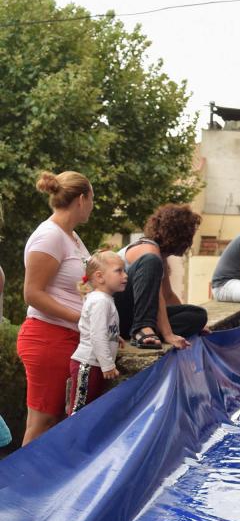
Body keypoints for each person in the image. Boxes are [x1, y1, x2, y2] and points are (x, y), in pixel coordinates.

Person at [17, 170, 93, 445]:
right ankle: (20, 487)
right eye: (92, 200)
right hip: (47, 336)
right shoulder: (49, 236)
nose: (92, 207)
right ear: (82, 199)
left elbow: (79, 289)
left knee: (57, 421)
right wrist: (81, 319)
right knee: (42, 422)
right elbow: (32, 294)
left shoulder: (72, 237)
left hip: (70, 337)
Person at [115, 204, 207, 351]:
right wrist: (168, 333)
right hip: (117, 312)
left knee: (198, 315)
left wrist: (197, 324)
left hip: (131, 318)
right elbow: (156, 296)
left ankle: (146, 331)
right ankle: (142, 329)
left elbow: (168, 296)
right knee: (151, 260)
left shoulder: (160, 258)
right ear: (181, 234)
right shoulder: (148, 250)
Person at [68, 251, 127, 415]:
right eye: (119, 271)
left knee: (88, 410)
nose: (125, 275)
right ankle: (73, 440)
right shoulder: (100, 301)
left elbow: (100, 328)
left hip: (94, 365)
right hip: (88, 365)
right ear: (100, 277)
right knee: (79, 412)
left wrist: (115, 336)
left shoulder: (103, 299)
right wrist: (108, 364)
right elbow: (97, 335)